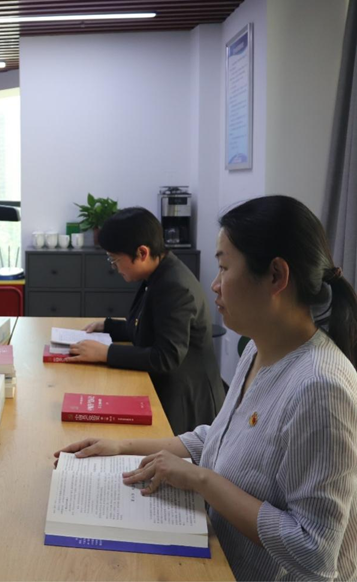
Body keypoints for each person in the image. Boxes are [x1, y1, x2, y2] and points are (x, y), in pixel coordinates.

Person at [57, 195, 357, 581]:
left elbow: (315, 550)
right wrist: (121, 447)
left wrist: (201, 479)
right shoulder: (258, 350)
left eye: (224, 267)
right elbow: (216, 438)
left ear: (276, 276)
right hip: (217, 555)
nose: (214, 286)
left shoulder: (320, 388)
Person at [67, 207, 224, 434]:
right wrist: (109, 326)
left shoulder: (174, 286)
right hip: (170, 388)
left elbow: (166, 357)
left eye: (115, 259)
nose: (113, 267)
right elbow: (148, 326)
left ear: (142, 253)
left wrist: (106, 353)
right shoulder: (159, 273)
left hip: (186, 403)